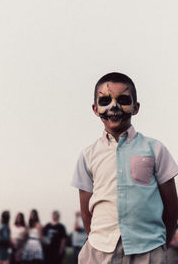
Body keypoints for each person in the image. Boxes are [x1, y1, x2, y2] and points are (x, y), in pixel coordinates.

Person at [71, 72, 178, 264]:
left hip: (149, 250)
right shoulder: (88, 155)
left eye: (123, 99)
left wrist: (161, 242)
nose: (114, 107)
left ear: (136, 107)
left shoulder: (155, 149)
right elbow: (86, 212)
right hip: (100, 251)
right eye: (105, 100)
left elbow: (171, 207)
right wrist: (98, 240)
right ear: (95, 109)